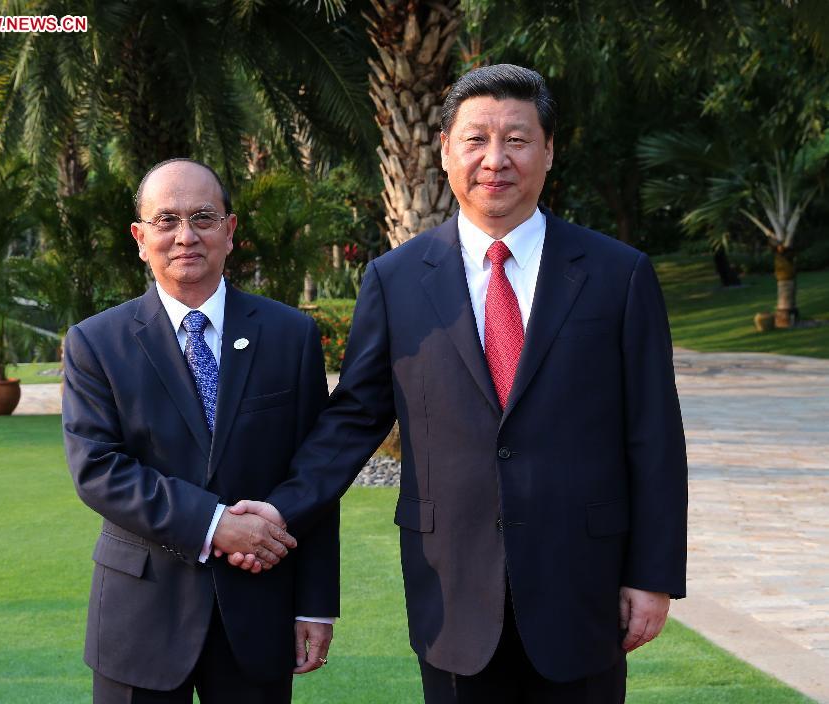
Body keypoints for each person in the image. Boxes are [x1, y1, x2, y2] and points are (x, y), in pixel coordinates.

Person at [229, 65, 687, 703]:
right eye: (476, 139)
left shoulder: (618, 274)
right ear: (445, 151)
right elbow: (356, 417)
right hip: (450, 592)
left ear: (549, 151)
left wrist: (653, 575)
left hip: (583, 587)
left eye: (518, 140)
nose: (495, 159)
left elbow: (655, 435)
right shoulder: (395, 279)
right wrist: (282, 507)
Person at [61, 158, 339, 703]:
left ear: (230, 232)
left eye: (203, 218)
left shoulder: (291, 336)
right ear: (141, 238)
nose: (185, 235)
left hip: (259, 613)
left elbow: (315, 478)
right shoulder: (96, 343)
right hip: (139, 616)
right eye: (166, 220)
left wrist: (313, 603)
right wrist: (214, 525)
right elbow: (98, 470)